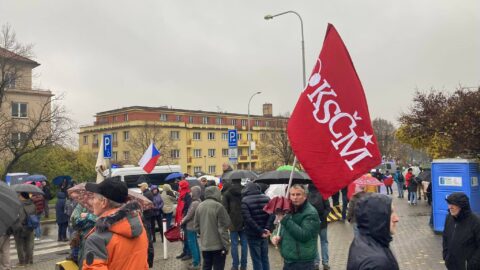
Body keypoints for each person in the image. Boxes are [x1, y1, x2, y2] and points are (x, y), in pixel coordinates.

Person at [82, 178, 148, 270]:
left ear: (104, 202)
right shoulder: (139, 227)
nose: (92, 202)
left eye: (93, 198)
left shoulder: (96, 239)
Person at [271, 184, 320, 270]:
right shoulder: (287, 210)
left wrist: (285, 219)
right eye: (292, 194)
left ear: (305, 196)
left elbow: (304, 235)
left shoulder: (310, 212)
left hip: (303, 262)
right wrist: (274, 236)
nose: (295, 197)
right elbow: (279, 228)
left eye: (298, 194)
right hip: (288, 260)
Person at [346, 193, 400, 270]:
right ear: (377, 217)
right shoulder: (377, 263)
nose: (397, 219)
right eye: (390, 213)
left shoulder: (363, 239)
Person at [194, 186, 231, 270]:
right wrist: (226, 245)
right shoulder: (219, 206)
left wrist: (203, 233)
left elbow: (196, 226)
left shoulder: (200, 206)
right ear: (216, 194)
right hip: (218, 245)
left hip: (205, 245)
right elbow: (224, 226)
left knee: (206, 266)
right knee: (218, 267)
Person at [442, 192, 480, 270]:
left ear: (462, 206)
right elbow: (445, 237)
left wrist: (472, 263)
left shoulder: (475, 222)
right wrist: (446, 255)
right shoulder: (449, 218)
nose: (450, 207)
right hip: (451, 264)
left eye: (453, 204)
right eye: (449, 204)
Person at [241, 182, 274, 270]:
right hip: (265, 233)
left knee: (256, 259)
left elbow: (248, 219)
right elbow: (272, 215)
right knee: (265, 258)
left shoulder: (245, 201)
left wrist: (260, 231)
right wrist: (266, 229)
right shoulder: (267, 198)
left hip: (253, 234)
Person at [222, 178, 248, 270]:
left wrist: (227, 221)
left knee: (234, 244)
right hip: (245, 220)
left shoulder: (227, 193)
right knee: (244, 243)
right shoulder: (245, 190)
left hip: (232, 221)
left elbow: (224, 209)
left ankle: (235, 265)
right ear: (240, 180)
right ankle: (244, 265)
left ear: (232, 181)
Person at [307, 184, 331, 270]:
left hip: (311, 223)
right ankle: (325, 262)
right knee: (324, 242)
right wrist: (322, 217)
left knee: (314, 243)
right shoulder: (323, 194)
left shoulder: (307, 195)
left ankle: (316, 262)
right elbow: (328, 208)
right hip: (323, 223)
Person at [68, 204, 97, 268]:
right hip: (82, 243)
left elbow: (100, 219)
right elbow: (73, 220)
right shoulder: (80, 205)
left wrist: (88, 216)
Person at [181, 186, 202, 270]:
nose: (190, 193)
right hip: (194, 226)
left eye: (191, 192)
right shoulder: (198, 201)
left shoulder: (194, 203)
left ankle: (196, 264)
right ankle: (197, 261)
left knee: (192, 245)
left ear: (195, 193)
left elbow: (189, 215)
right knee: (195, 244)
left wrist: (181, 221)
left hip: (191, 226)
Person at [13, 192, 36, 267]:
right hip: (31, 227)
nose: (18, 197)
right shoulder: (32, 204)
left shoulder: (19, 205)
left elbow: (21, 218)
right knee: (29, 244)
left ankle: (22, 262)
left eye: (19, 195)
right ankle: (30, 260)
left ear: (22, 197)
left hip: (21, 228)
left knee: (19, 245)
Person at [138, 182, 155, 268]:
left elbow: (146, 206)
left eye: (141, 186)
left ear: (144, 186)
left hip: (147, 216)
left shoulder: (147, 194)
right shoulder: (146, 193)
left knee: (148, 236)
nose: (140, 188)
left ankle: (149, 259)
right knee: (149, 234)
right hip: (148, 215)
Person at [176, 180, 192, 261]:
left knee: (186, 237)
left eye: (179, 185)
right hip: (181, 219)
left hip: (184, 219)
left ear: (183, 186)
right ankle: (185, 251)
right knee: (183, 237)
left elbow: (188, 208)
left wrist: (183, 217)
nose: (178, 186)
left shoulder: (187, 195)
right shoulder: (182, 195)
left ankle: (189, 253)